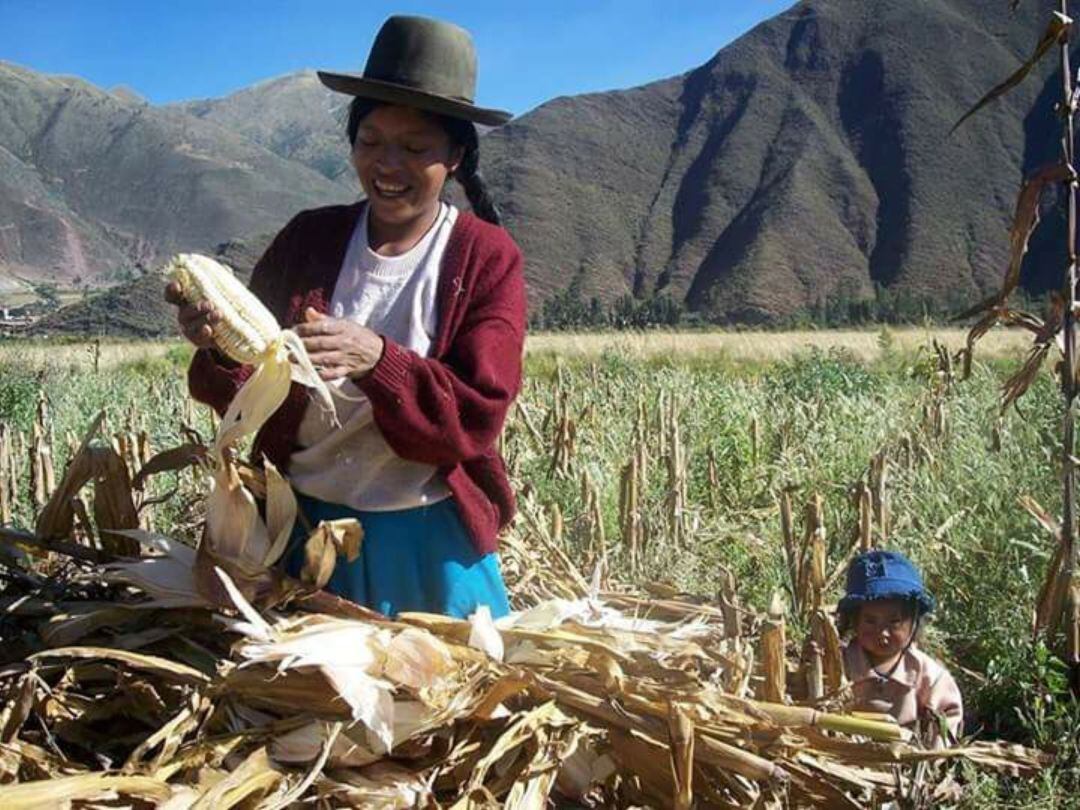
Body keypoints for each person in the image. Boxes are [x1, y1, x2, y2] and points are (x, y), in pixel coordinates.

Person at [165, 15, 524, 620]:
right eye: (370, 141)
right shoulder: (309, 239)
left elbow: (475, 416)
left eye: (415, 148)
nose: (388, 164)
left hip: (426, 540)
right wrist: (221, 348)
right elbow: (247, 389)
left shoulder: (485, 258)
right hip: (303, 532)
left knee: (443, 705)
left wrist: (378, 361)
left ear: (456, 156)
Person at [837, 550, 963, 743]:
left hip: (906, 762)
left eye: (894, 622)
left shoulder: (928, 676)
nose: (883, 633)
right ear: (854, 621)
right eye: (870, 621)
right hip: (843, 758)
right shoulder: (840, 664)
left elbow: (948, 717)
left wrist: (930, 755)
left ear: (913, 622)